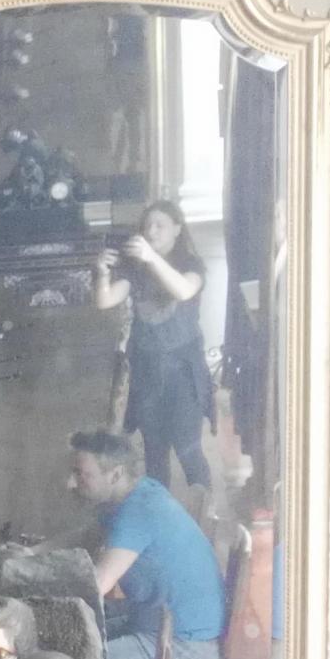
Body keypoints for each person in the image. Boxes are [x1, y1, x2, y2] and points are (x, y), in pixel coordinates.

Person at [69, 430, 224, 659]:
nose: (71, 483)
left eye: (81, 474)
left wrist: (41, 583)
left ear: (116, 474)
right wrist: (31, 552)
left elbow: (97, 585)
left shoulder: (138, 510)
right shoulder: (137, 492)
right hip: (154, 623)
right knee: (71, 642)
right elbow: (86, 534)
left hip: (182, 645)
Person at [94, 200, 212, 493]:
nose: (152, 231)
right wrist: (102, 272)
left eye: (160, 225)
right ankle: (160, 512)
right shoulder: (136, 268)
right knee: (154, 452)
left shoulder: (191, 265)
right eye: (147, 226)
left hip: (184, 373)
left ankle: (205, 512)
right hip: (146, 371)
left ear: (177, 229)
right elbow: (105, 300)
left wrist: (152, 258)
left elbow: (183, 290)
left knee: (188, 449)